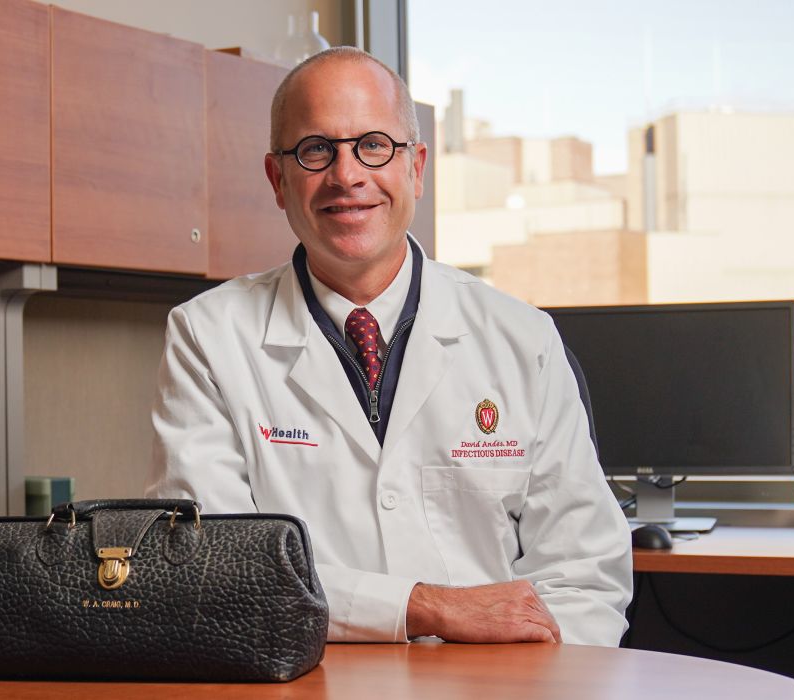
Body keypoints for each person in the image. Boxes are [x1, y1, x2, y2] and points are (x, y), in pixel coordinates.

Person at [146, 47, 631, 646]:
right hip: (306, 682)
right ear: (278, 179)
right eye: (315, 149)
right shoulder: (209, 337)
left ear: (417, 167)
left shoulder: (521, 337)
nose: (347, 176)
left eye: (373, 145)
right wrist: (423, 608)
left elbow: (585, 574)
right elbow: (218, 569)